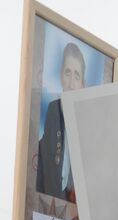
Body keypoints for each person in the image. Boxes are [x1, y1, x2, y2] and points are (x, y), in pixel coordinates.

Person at [36, 42, 85, 200]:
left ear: (82, 84)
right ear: (60, 75)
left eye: (76, 76)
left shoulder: (88, 125)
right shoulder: (52, 111)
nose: (71, 84)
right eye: (67, 73)